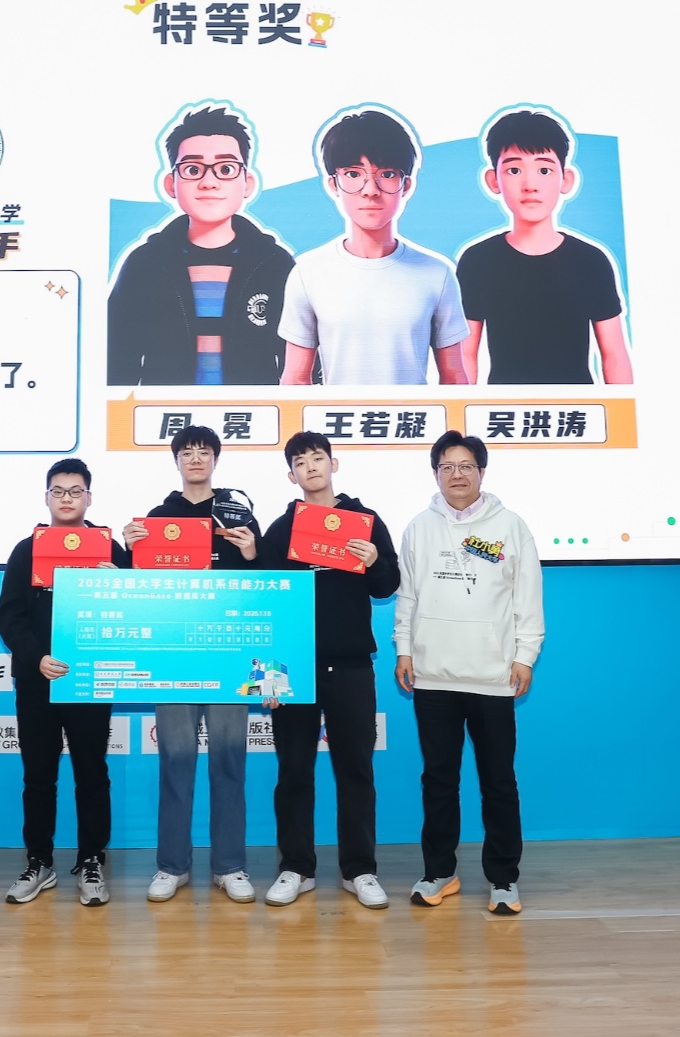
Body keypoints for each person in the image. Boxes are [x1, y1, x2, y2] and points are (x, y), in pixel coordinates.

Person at [394, 431, 543, 916]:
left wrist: (525, 655)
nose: (456, 475)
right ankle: (439, 872)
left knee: (498, 781)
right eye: (446, 467)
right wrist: (404, 649)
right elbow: (407, 596)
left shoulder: (511, 526)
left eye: (465, 466)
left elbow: (528, 597)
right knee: (438, 781)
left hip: (492, 677)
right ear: (435, 473)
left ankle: (503, 879)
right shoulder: (419, 527)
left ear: (481, 472)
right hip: (433, 676)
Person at [257, 431, 399, 909]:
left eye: (318, 458)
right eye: (301, 462)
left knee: (355, 769)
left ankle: (360, 870)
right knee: (293, 770)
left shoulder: (365, 521)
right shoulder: (281, 529)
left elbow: (387, 585)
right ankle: (296, 867)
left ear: (333, 464)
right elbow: (267, 607)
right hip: (293, 668)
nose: (311, 467)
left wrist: (374, 560)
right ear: (291, 475)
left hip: (352, 663)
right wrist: (268, 676)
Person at [121, 425, 263, 903]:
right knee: (176, 762)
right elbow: (140, 591)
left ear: (216, 460)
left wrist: (251, 553)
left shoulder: (238, 513)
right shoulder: (159, 518)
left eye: (204, 451)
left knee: (229, 762)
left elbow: (265, 589)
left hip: (230, 656)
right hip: (175, 658)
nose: (196, 458)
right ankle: (172, 865)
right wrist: (129, 549)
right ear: (177, 461)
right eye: (187, 452)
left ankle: (230, 865)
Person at [0, 458, 131, 908]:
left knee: (92, 773)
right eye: (59, 491)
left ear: (89, 497)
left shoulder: (111, 550)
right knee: (39, 775)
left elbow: (134, 614)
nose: (67, 498)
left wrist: (121, 586)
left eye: (75, 491)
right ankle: (39, 862)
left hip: (91, 680)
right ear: (47, 497)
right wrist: (37, 658)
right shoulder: (25, 550)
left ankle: (92, 859)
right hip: (39, 679)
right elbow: (9, 615)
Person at [108, 104, 296, 386]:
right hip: (165, 412)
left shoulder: (275, 264)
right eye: (193, 169)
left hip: (253, 411)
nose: (209, 182)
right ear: (171, 184)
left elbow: (300, 361)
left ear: (247, 183)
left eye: (225, 169)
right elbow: (116, 360)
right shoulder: (144, 264)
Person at [280, 106, 468, 387]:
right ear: (333, 184)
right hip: (337, 417)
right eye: (354, 174)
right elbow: (295, 379)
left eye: (387, 174)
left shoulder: (437, 274)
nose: (370, 190)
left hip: (415, 417)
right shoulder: (308, 273)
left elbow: (454, 378)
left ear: (406, 185)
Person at [457, 108, 632, 385]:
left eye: (544, 170)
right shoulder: (478, 261)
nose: (530, 185)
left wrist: (623, 412)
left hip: (579, 409)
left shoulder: (591, 261)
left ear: (566, 179)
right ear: (493, 180)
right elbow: (464, 356)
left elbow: (614, 355)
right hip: (503, 410)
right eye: (514, 170)